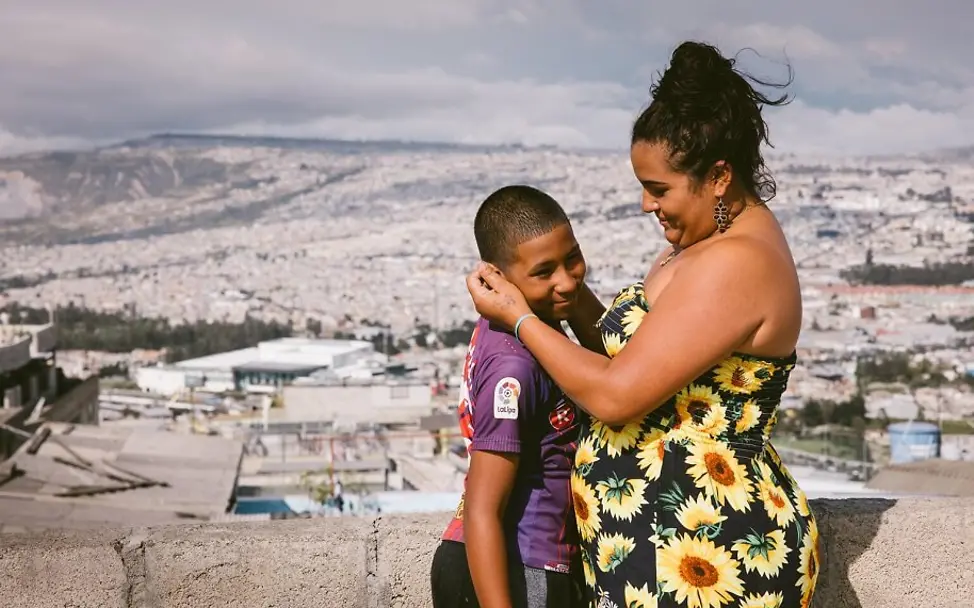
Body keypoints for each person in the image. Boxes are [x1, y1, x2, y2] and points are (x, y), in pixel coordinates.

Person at [466, 41, 819, 608]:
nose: (645, 205)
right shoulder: (704, 241)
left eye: (659, 189)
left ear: (719, 176)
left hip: (705, 550)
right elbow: (642, 352)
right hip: (660, 545)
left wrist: (520, 317)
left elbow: (615, 394)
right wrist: (565, 297)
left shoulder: (738, 262)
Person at [431, 185, 586, 608]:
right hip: (520, 571)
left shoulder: (520, 328)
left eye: (572, 258)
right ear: (497, 277)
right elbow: (484, 507)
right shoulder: (513, 366)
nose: (567, 282)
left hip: (510, 565)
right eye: (543, 272)